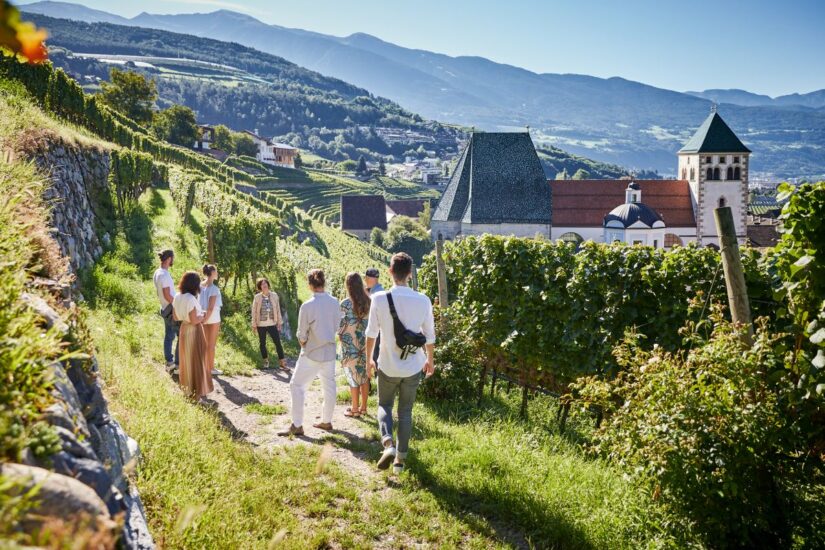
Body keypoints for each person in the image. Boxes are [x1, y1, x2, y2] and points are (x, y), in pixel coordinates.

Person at [365, 252, 435, 474]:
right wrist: (430, 361)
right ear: (409, 273)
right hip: (413, 366)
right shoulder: (423, 300)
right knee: (405, 411)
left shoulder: (378, 299)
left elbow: (371, 334)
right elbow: (430, 336)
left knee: (384, 405)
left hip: (387, 364)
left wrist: (369, 360)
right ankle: (400, 463)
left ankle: (388, 444)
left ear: (390, 271)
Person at [278, 269, 341, 436]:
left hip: (312, 352)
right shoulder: (335, 302)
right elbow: (337, 327)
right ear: (324, 283)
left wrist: (304, 343)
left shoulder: (307, 306)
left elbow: (301, 334)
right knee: (329, 387)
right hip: (329, 351)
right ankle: (326, 421)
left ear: (310, 285)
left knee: (296, 385)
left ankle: (297, 425)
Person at [172, 271, 213, 403]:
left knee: (186, 361)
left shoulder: (177, 296)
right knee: (197, 362)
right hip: (194, 331)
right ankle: (197, 395)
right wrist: (203, 316)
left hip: (184, 329)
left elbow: (175, 317)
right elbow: (195, 320)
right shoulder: (190, 298)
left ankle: (188, 391)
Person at [338, 272, 371, 417]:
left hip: (350, 346)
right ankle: (364, 408)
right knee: (364, 376)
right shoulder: (369, 302)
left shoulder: (345, 304)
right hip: (366, 346)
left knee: (352, 376)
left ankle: (355, 409)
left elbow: (340, 327)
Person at [251, 278, 287, 369]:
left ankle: (282, 362)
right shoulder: (257, 297)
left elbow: (278, 309)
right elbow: (254, 312)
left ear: (268, 285)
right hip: (261, 324)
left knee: (278, 342)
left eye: (265, 283)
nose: (264, 285)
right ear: (260, 287)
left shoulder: (274, 295)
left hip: (272, 323)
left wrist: (279, 322)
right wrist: (254, 324)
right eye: (262, 284)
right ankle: (266, 361)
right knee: (262, 343)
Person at [153, 249, 178, 373]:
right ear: (169, 259)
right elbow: (167, 295)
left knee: (169, 336)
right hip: (170, 307)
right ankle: (176, 363)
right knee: (180, 334)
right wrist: (178, 304)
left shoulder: (158, 272)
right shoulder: (164, 274)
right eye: (173, 258)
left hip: (164, 307)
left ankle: (170, 362)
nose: (173, 260)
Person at [200, 264, 223, 376]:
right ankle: (211, 368)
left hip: (202, 316)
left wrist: (203, 320)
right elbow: (210, 307)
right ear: (212, 273)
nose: (217, 273)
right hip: (213, 318)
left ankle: (204, 367)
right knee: (211, 345)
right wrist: (206, 319)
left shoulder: (200, 285)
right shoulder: (214, 288)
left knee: (204, 344)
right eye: (216, 272)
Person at [365, 267, 384, 363]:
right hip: (380, 329)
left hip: (377, 331)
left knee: (376, 357)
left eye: (367, 278)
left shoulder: (375, 295)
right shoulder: (377, 291)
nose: (365, 280)